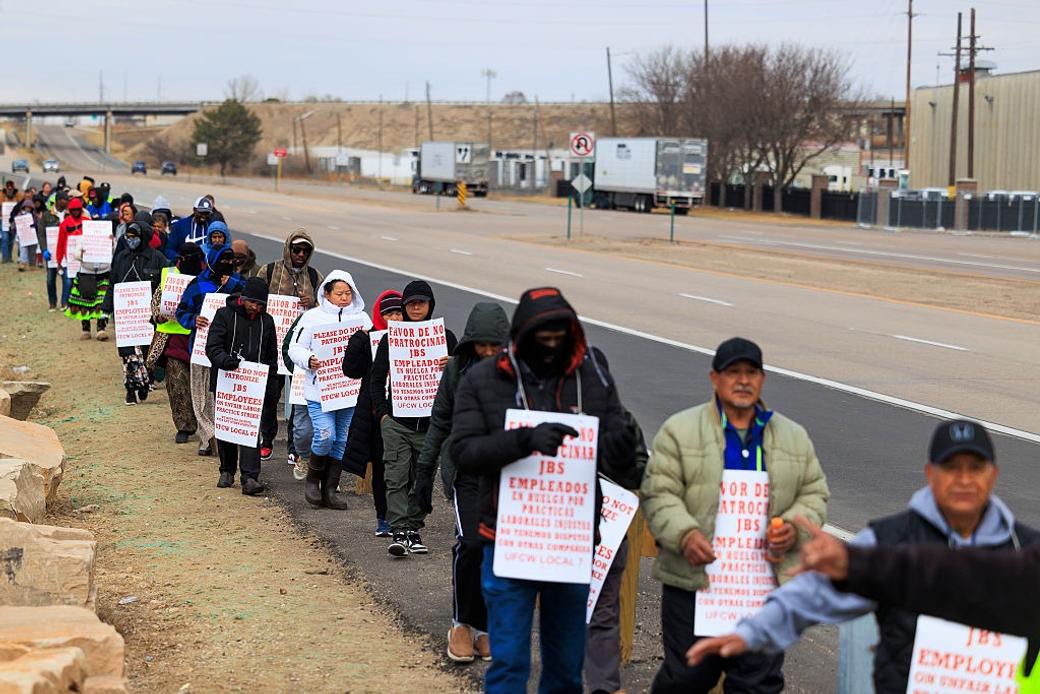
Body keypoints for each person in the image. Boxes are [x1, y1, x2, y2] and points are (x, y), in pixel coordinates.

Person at [688, 418, 1040, 694]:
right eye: (951, 468)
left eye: (975, 468)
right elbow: (814, 593)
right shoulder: (888, 540)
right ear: (930, 475)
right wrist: (753, 632)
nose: (964, 479)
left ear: (993, 475)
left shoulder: (1025, 550)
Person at [449, 286, 636, 693]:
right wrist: (523, 441)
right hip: (508, 540)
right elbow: (463, 451)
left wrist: (619, 449)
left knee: (566, 668)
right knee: (510, 662)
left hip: (569, 544)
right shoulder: (483, 378)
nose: (551, 347)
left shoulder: (593, 373)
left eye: (559, 338)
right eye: (542, 339)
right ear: (522, 336)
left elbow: (621, 451)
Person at [640, 337, 829, 694]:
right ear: (715, 378)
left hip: (762, 588)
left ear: (762, 380)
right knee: (688, 676)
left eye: (751, 372)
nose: (743, 380)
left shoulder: (792, 436)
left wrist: (793, 529)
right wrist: (684, 534)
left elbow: (814, 493)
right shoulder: (680, 430)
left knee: (757, 683)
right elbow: (658, 492)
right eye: (733, 372)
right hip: (695, 582)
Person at [413, 302, 509, 663]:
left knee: (493, 550)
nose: (487, 352)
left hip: (502, 473)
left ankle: (483, 627)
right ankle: (460, 624)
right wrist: (425, 471)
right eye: (481, 345)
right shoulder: (456, 370)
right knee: (469, 544)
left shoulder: (516, 374)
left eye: (494, 345)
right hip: (466, 472)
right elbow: (440, 420)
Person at [371, 280, 458, 556]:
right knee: (396, 476)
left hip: (432, 424)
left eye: (422, 302)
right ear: (404, 306)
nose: (417, 307)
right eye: (411, 303)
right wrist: (383, 414)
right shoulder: (390, 339)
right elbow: (375, 379)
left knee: (423, 478)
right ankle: (398, 530)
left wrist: (453, 364)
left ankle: (413, 527)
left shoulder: (445, 338)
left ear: (431, 305)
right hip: (397, 421)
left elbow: (467, 378)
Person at [287, 271, 370, 509]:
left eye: (348, 293)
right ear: (326, 293)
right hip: (320, 392)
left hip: (349, 392)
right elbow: (295, 347)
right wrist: (308, 359)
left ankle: (330, 490)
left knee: (341, 440)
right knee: (325, 435)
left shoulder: (361, 319)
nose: (344, 298)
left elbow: (375, 345)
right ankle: (312, 482)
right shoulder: (312, 318)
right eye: (339, 293)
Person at [205, 277, 280, 495]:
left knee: (250, 430)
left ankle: (250, 476)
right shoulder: (224, 315)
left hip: (253, 385)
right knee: (228, 426)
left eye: (260, 305)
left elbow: (270, 356)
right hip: (226, 381)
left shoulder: (267, 321)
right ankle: (227, 470)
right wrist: (225, 361)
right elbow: (212, 346)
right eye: (252, 303)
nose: (255, 308)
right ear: (243, 299)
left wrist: (271, 385)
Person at [258, 229, 325, 460]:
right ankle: (266, 440)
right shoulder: (268, 271)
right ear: (288, 248)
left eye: (306, 250)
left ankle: (294, 448)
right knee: (270, 397)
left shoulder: (316, 277)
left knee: (298, 399)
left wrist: (314, 302)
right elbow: (255, 299)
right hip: (272, 346)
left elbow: (326, 309)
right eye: (296, 249)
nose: (301, 254)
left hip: (301, 349)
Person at [341, 290, 403, 535]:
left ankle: (405, 517)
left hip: (409, 411)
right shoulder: (369, 339)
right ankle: (384, 517)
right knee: (381, 466)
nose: (395, 319)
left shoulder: (416, 337)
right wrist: (359, 342)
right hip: (378, 412)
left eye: (399, 312)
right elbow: (351, 371)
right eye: (389, 313)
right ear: (380, 315)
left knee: (406, 467)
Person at [176, 243, 245, 456]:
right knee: (200, 394)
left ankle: (224, 437)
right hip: (200, 347)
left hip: (228, 351)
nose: (227, 264)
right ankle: (207, 437)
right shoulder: (197, 284)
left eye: (229, 260)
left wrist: (232, 284)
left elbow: (251, 303)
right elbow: (181, 312)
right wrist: (193, 319)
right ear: (212, 261)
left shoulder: (238, 284)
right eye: (222, 260)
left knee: (220, 395)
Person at [104, 221, 168, 405]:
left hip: (148, 318)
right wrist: (105, 311)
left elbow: (166, 285)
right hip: (126, 319)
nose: (131, 240)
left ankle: (145, 382)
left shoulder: (158, 259)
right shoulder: (122, 258)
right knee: (128, 355)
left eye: (135, 237)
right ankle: (130, 390)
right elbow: (112, 284)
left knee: (147, 355)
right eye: (128, 237)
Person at [147, 243, 203, 443]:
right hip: (173, 343)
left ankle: (205, 426)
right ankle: (184, 426)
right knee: (177, 386)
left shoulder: (206, 280)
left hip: (200, 343)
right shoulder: (170, 277)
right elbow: (156, 302)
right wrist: (158, 315)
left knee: (200, 388)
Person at [56, 198, 111, 341]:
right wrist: (81, 254)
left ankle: (101, 329)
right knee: (84, 302)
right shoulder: (81, 238)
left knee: (102, 302)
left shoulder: (108, 238)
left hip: (103, 273)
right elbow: (75, 253)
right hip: (86, 273)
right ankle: (86, 329)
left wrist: (111, 241)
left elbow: (112, 252)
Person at [39, 191, 67, 311]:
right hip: (51, 253)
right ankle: (52, 302)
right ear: (58, 200)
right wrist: (44, 249)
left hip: (65, 253)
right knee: (50, 279)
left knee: (66, 279)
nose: (66, 202)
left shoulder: (68, 215)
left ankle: (65, 302)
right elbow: (41, 234)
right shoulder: (46, 215)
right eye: (64, 200)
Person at [164, 197, 214, 261]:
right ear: (194, 210)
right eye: (201, 212)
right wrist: (178, 258)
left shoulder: (212, 226)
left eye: (206, 213)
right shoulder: (180, 226)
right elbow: (169, 249)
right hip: (184, 266)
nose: (204, 216)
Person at [13, 198, 37, 272]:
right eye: (26, 207)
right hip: (22, 236)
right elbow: (16, 224)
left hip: (32, 236)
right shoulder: (20, 215)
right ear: (23, 207)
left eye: (29, 207)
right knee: (23, 250)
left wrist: (34, 226)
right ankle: (23, 264)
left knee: (32, 250)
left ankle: (32, 264)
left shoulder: (34, 216)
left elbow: (37, 224)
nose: (28, 208)